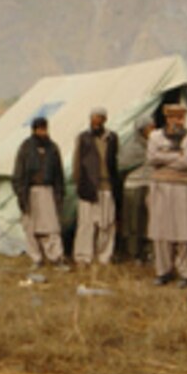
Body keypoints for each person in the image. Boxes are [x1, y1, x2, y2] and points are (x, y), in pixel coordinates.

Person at [146, 104, 187, 287]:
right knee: (161, 231)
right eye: (173, 117)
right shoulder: (155, 136)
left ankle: (186, 272)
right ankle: (163, 271)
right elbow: (151, 157)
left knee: (184, 232)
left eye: (180, 117)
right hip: (160, 187)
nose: (176, 121)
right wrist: (176, 155)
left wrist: (165, 156)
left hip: (181, 188)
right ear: (167, 118)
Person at [12, 116, 65, 269]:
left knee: (52, 228)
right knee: (31, 228)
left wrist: (59, 194)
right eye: (39, 129)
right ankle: (36, 259)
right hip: (30, 192)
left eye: (44, 128)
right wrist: (20, 193)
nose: (42, 132)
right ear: (34, 130)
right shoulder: (26, 148)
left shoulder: (53, 148)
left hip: (48, 191)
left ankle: (56, 258)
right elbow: (19, 173)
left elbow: (58, 174)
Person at [72, 107, 119, 266]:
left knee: (106, 224)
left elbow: (114, 163)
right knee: (86, 224)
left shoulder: (112, 138)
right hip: (88, 186)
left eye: (99, 119)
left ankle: (104, 256)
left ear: (104, 120)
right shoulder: (83, 138)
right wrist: (79, 183)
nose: (96, 122)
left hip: (107, 187)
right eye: (93, 119)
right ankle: (83, 257)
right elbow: (77, 162)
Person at [117, 115, 155, 264]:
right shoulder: (132, 147)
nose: (152, 131)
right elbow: (122, 165)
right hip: (134, 187)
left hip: (149, 186)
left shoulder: (155, 145)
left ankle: (147, 251)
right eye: (149, 128)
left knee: (148, 221)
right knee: (134, 221)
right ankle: (134, 253)